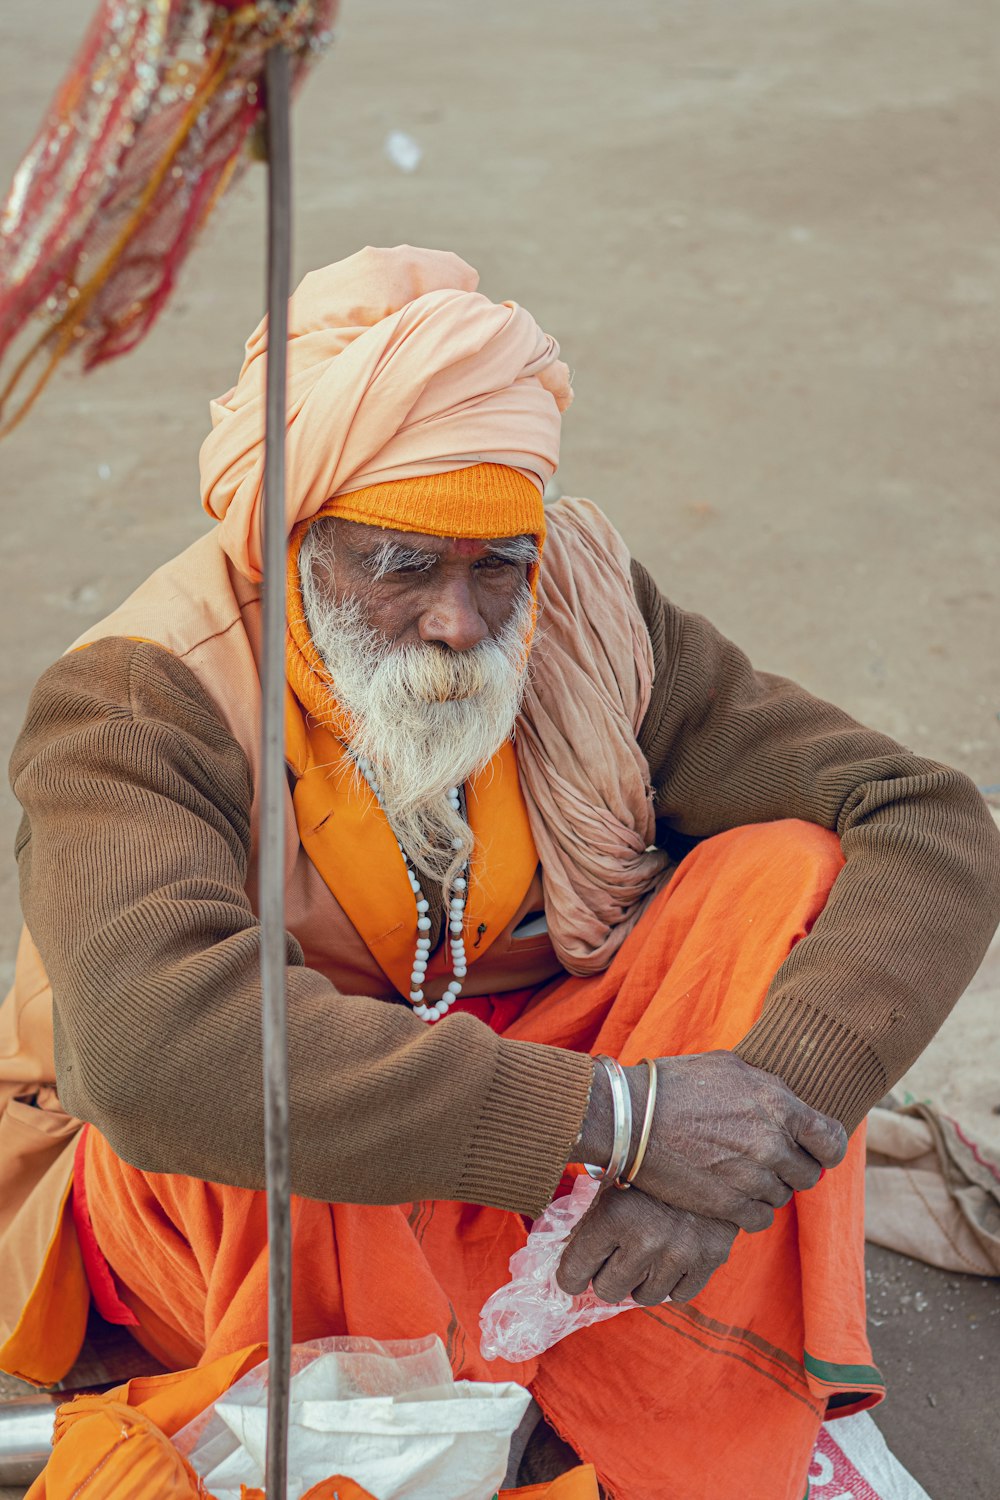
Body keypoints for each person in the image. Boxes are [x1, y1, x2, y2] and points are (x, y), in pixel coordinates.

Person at [1, 246, 997, 1500]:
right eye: (402, 566)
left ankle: (552, 1378)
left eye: (493, 568)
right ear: (292, 541)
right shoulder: (140, 695)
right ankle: (502, 1399)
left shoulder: (582, 614)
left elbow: (924, 818)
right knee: (284, 1084)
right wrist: (627, 1123)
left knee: (782, 870)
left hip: (528, 1102)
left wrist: (749, 1134)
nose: (460, 624)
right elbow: (153, 1056)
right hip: (231, 1181)